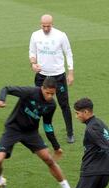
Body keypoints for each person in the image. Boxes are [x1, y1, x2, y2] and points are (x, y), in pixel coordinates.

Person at [0, 77, 73, 188]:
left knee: (49, 159)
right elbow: (7, 88)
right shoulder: (29, 92)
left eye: (53, 94)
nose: (50, 96)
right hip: (13, 129)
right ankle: (0, 180)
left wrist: (56, 147)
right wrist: (1, 100)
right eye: (48, 93)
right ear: (42, 88)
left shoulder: (51, 105)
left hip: (31, 133)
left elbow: (47, 125)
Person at [29, 14, 75, 143]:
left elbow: (68, 53)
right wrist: (33, 64)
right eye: (43, 26)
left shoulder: (61, 35)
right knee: (37, 104)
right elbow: (32, 52)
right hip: (41, 75)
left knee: (64, 104)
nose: (46, 29)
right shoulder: (35, 35)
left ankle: (70, 133)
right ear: (40, 24)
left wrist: (70, 73)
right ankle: (33, 131)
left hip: (58, 75)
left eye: (48, 26)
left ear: (52, 24)